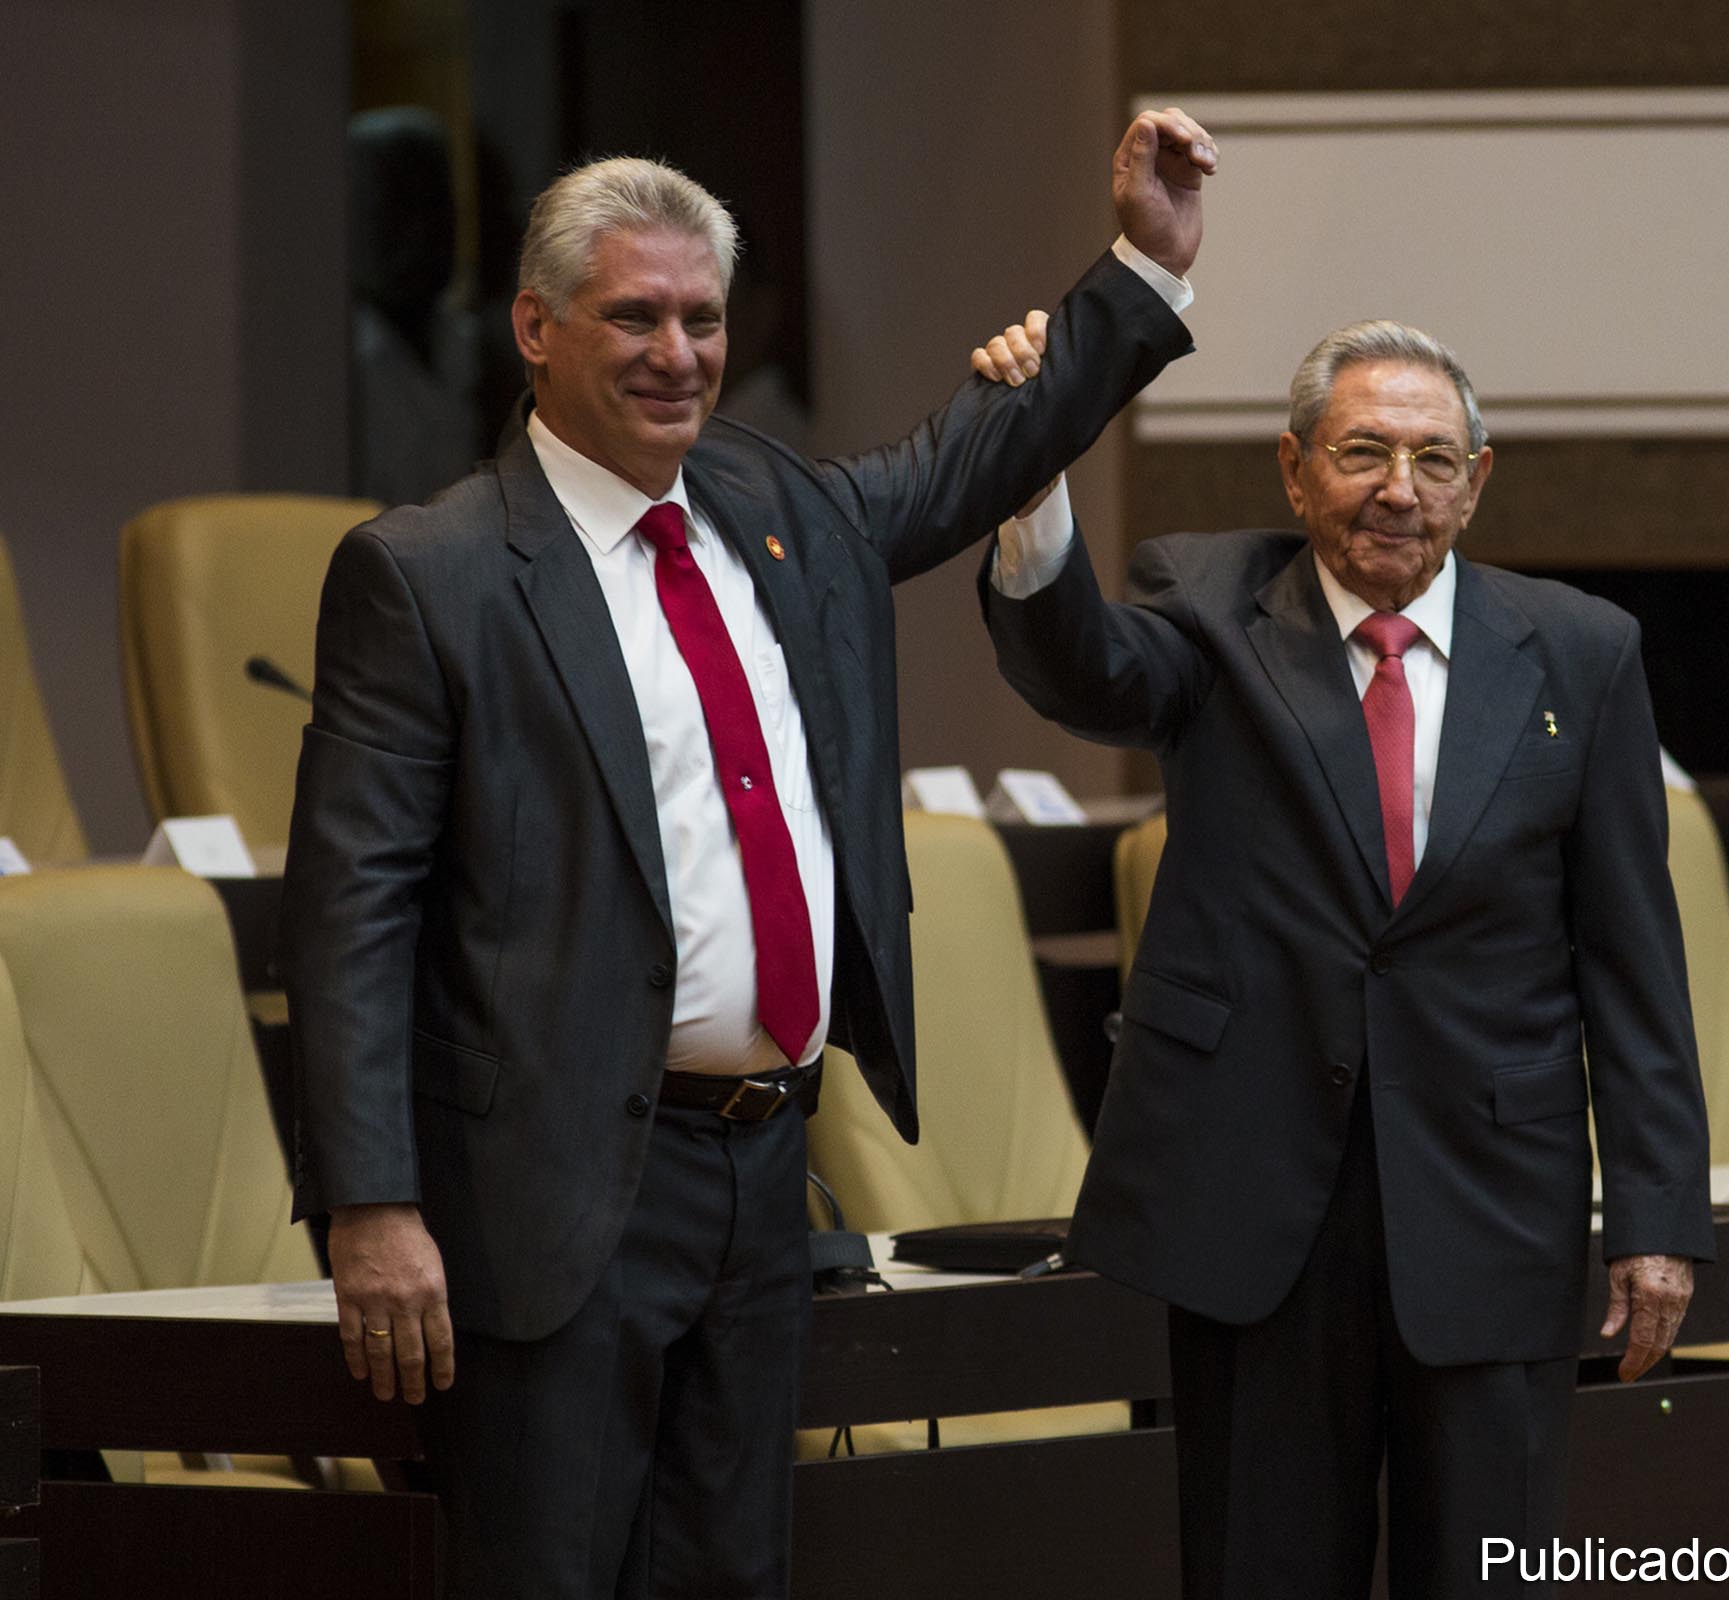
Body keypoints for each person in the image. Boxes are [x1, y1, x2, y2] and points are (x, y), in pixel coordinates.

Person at [280, 109, 1213, 1598]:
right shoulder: (431, 573)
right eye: (634, 317)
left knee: (734, 1574)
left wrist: (1141, 270)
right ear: (535, 327)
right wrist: (373, 1205)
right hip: (553, 1190)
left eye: (703, 319)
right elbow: (350, 914)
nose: (678, 355)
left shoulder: (776, 510)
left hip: (762, 1165)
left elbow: (971, 458)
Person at [972, 317, 1714, 1598]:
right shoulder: (1208, 607)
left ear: (1479, 482)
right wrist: (1032, 476)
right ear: (1295, 469)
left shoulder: (1583, 654)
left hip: (1493, 1203)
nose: (1398, 489)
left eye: (1434, 458)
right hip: (1260, 1206)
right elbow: (1082, 667)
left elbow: (1632, 956)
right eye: (1363, 450)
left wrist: (1656, 1215)